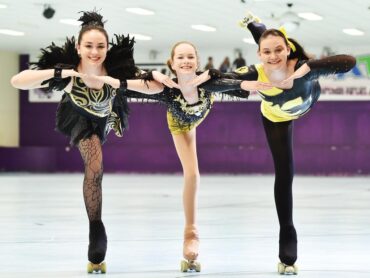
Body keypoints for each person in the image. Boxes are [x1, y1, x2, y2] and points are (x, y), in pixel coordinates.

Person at [10, 10, 163, 273]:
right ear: (79, 47)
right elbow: (17, 81)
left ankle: (96, 226)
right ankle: (96, 228)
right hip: (77, 117)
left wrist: (124, 81)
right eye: (89, 46)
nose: (95, 52)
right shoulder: (70, 73)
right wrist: (58, 71)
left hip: (105, 118)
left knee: (97, 159)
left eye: (100, 46)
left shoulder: (116, 70)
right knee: (95, 165)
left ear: (107, 47)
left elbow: (156, 88)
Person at [232, 12, 356, 274]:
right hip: (276, 119)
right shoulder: (257, 71)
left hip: (309, 97)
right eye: (265, 52)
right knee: (285, 173)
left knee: (273, 44)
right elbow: (220, 81)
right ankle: (287, 239)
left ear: (289, 50)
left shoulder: (301, 67)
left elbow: (349, 61)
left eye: (280, 49)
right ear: (258, 55)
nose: (274, 55)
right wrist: (244, 83)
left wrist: (305, 69)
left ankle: (259, 27)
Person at [127, 41, 248, 272]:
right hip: (180, 124)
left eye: (190, 57)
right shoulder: (166, 88)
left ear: (198, 61)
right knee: (192, 175)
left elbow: (241, 84)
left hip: (197, 118)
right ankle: (190, 233)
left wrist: (217, 73)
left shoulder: (209, 81)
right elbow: (129, 82)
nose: (186, 61)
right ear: (172, 63)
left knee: (194, 175)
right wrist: (151, 73)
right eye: (180, 57)